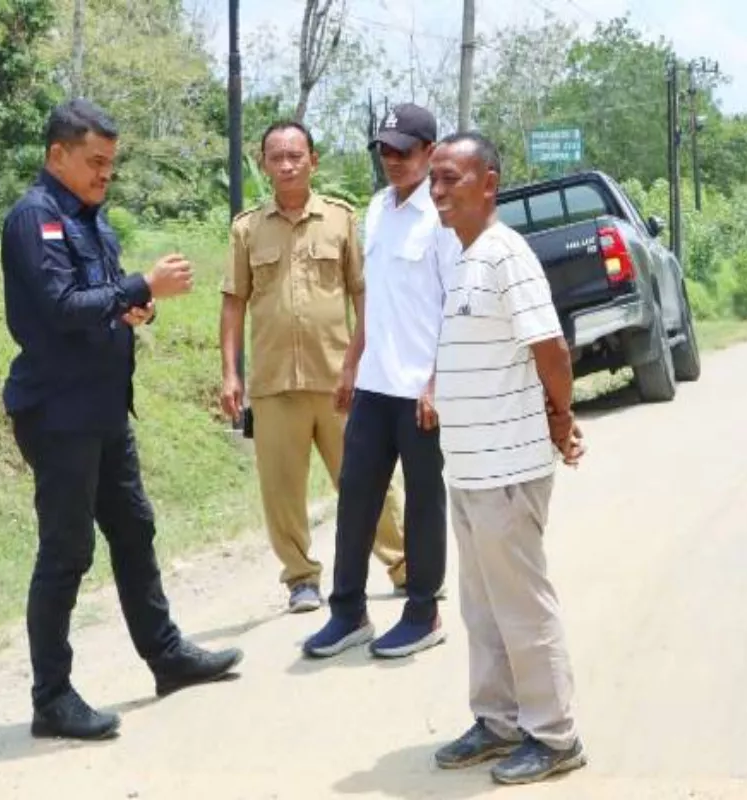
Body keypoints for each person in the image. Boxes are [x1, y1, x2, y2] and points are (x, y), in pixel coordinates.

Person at [1, 99, 243, 741]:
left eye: (112, 163)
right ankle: (51, 698)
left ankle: (165, 656)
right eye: (95, 162)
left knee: (135, 530)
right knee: (67, 551)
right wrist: (139, 288)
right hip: (58, 414)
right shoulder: (36, 219)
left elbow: (104, 304)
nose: (106, 174)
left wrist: (139, 309)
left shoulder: (94, 223)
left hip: (106, 410)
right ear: (58, 155)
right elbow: (58, 306)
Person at [426, 131, 588, 785]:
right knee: (483, 607)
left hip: (507, 471)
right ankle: (498, 721)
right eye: (433, 179)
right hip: (467, 471)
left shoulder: (505, 254)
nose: (437, 191)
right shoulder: (463, 258)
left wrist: (561, 418)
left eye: (450, 179)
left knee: (522, 605)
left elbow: (550, 349)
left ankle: (554, 736)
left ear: (488, 184)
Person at [220, 121, 408, 613]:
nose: (286, 165)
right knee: (281, 491)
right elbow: (233, 303)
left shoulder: (341, 220)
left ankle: (404, 564)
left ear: (312, 160)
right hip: (273, 383)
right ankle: (301, 578)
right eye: (276, 157)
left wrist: (361, 362)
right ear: (263, 164)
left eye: (295, 155)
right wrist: (230, 374)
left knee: (368, 478)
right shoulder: (246, 229)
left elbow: (362, 293)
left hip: (341, 379)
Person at [303, 104, 459, 660]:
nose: (393, 160)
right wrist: (351, 365)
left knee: (422, 501)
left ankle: (423, 611)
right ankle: (348, 611)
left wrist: (438, 382)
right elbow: (374, 298)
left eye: (405, 151)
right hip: (374, 383)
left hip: (421, 390)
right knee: (357, 496)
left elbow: (454, 307)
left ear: (430, 153)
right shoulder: (375, 209)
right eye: (385, 150)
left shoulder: (442, 217)